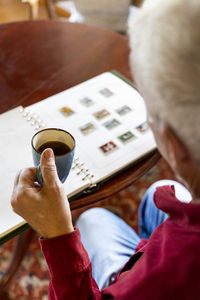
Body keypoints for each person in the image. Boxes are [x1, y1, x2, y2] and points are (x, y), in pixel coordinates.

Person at [11, 0, 200, 298]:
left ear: (174, 144)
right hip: (167, 251)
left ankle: (121, 268)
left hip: (151, 279)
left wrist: (59, 234)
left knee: (92, 220)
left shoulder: (163, 278)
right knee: (161, 192)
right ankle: (139, 250)